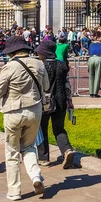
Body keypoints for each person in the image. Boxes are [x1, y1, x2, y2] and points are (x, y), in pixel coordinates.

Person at [0, 36, 49, 200]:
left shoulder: (9, 67)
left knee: (12, 152)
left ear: (12, 52)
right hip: (34, 110)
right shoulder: (39, 63)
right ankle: (36, 177)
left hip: (14, 111)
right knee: (29, 147)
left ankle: (14, 191)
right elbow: (45, 86)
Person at [34, 40, 76, 169]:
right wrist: (69, 100)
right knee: (59, 128)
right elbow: (67, 84)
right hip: (61, 100)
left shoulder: (41, 66)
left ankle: (43, 157)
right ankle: (67, 150)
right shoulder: (62, 65)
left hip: (45, 102)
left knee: (42, 129)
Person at [87, 32, 101, 97]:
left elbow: (89, 52)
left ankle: (91, 92)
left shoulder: (91, 44)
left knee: (91, 76)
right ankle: (95, 92)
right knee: (97, 76)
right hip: (98, 58)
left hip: (91, 58)